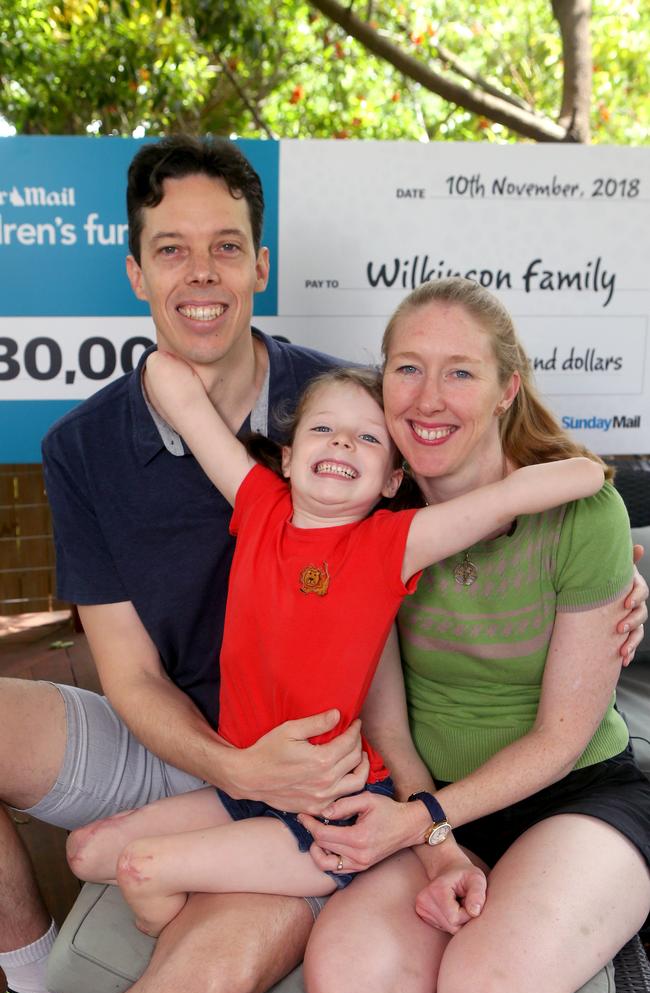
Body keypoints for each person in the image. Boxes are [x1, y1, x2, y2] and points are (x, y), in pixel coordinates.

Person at [0, 137, 645, 993]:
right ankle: (28, 978)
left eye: (225, 246)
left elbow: (485, 490)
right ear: (136, 272)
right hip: (233, 749)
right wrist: (243, 772)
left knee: (448, 976)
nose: (201, 273)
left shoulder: (352, 425)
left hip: (380, 769)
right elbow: (136, 672)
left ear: (260, 264)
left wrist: (601, 550)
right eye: (172, 251)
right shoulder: (100, 451)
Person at [65, 355, 604, 937]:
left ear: (392, 481)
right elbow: (182, 398)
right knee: (84, 851)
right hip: (248, 785)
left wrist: (609, 550)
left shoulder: (389, 544)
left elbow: (551, 487)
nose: (343, 443)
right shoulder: (260, 505)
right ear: (290, 458)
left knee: (142, 870)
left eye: (368, 438)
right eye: (323, 428)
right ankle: (234, 886)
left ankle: (208, 925)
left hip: (328, 814)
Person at [299, 277, 650, 993]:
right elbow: (388, 724)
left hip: (574, 793)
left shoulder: (583, 514)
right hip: (425, 792)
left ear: (505, 391)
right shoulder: (364, 514)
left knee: (487, 983)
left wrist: (423, 825)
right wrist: (434, 844)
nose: (428, 398)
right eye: (408, 367)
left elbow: (561, 738)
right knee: (345, 971)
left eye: (460, 371)